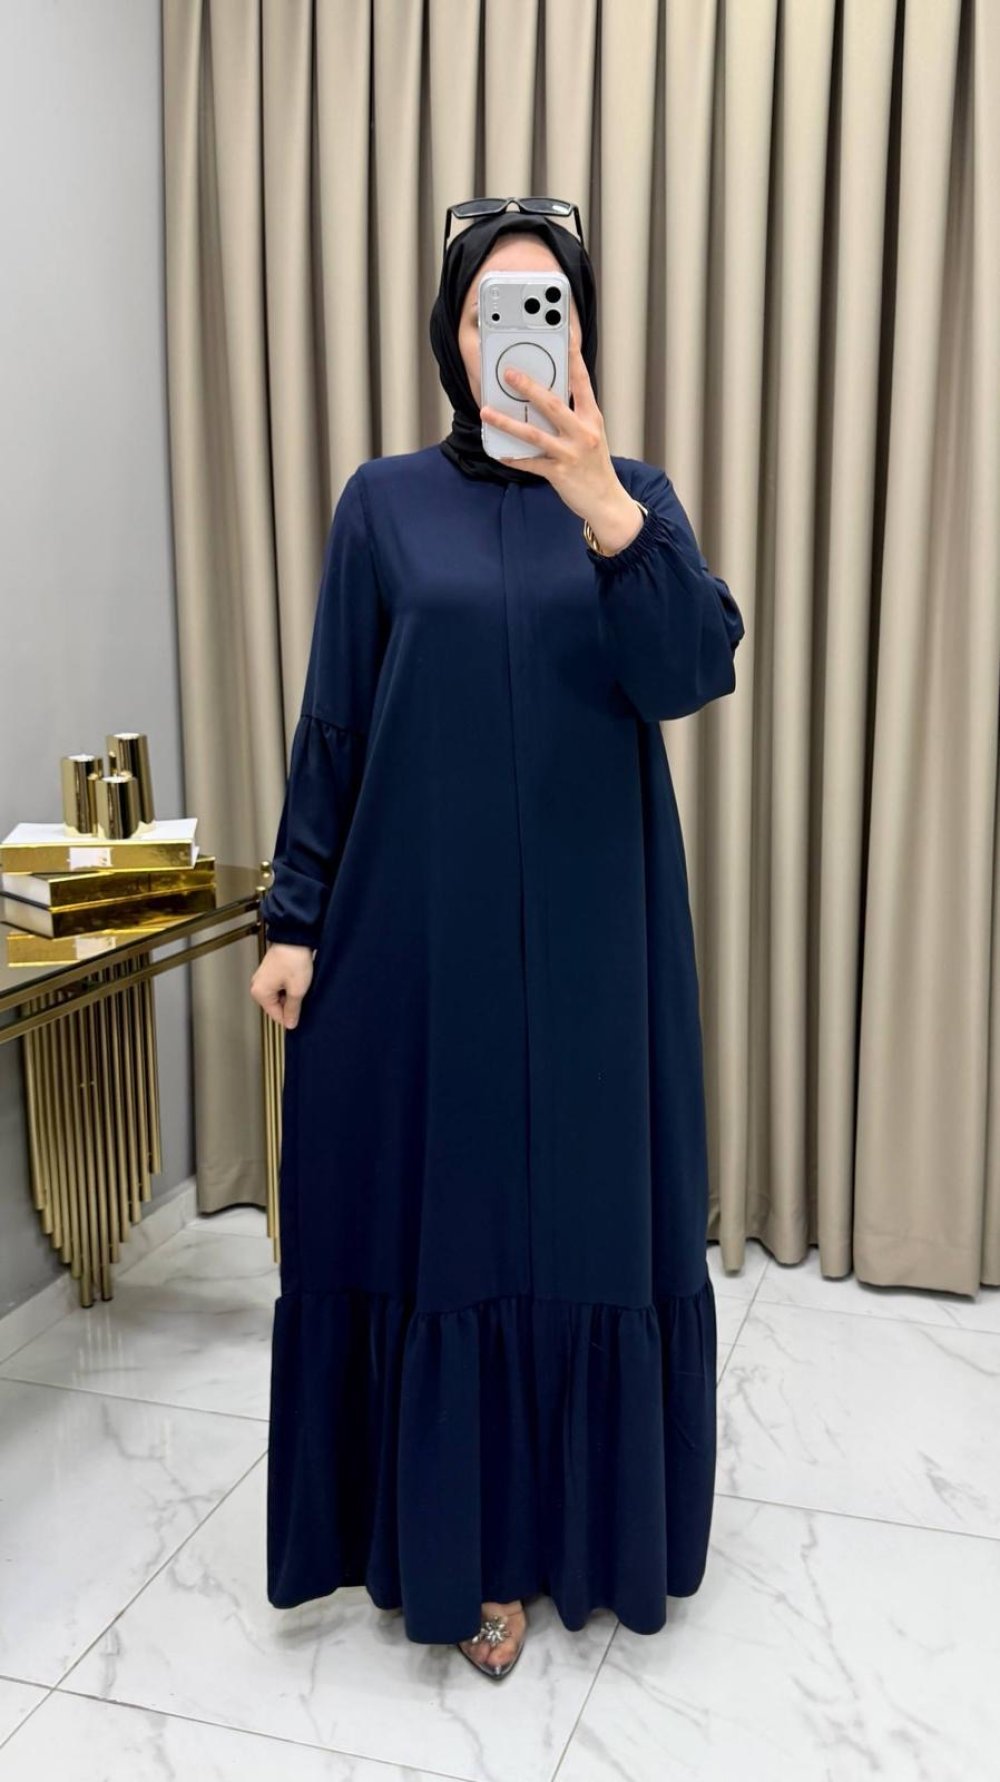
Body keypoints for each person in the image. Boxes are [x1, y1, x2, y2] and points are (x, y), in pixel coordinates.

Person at [250, 200, 745, 1682]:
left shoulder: (634, 497)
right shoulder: (383, 504)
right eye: (489, 312)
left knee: (585, 1224)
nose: (515, 336)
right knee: (450, 1227)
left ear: (579, 337)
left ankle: (587, 1534)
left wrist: (607, 508)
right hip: (421, 935)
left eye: (545, 309)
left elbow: (689, 668)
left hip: (600, 945)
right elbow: (337, 718)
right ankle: (462, 1554)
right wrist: (294, 914)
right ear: (453, 341)